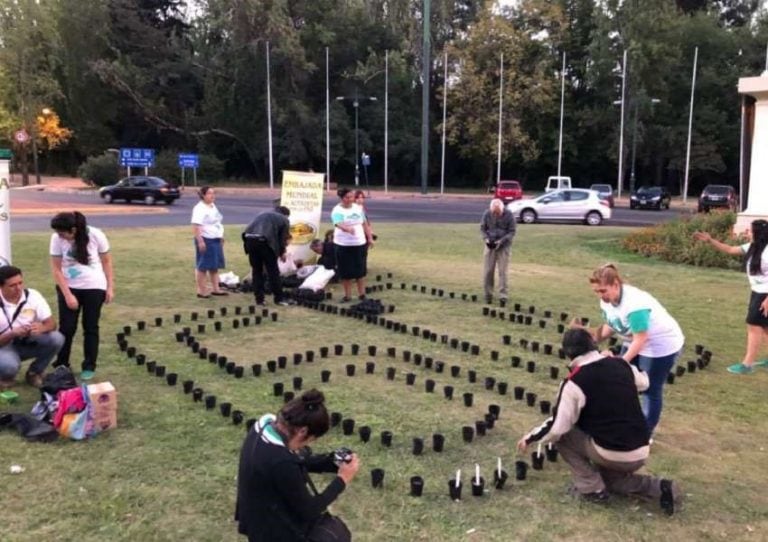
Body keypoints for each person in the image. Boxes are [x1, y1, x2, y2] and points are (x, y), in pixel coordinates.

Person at [517, 329, 682, 514]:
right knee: (613, 482)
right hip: (641, 448)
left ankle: (591, 489)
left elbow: (557, 427)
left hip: (612, 452)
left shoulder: (575, 381)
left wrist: (530, 438)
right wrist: (613, 361)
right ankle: (661, 488)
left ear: (568, 353)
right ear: (594, 345)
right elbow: (644, 383)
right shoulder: (620, 364)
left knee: (563, 437)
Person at [235, 389, 360, 541]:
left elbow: (295, 459)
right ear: (302, 431)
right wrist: (342, 480)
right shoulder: (281, 462)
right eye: (311, 439)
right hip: (271, 529)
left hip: (256, 512)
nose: (306, 445)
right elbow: (309, 510)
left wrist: (331, 462)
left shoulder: (264, 424)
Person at [575, 263, 684, 436]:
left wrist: (621, 362)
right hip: (635, 341)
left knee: (650, 389)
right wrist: (589, 337)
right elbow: (612, 325)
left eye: (603, 291)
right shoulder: (608, 301)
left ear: (616, 284)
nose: (600, 295)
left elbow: (641, 339)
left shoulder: (635, 305)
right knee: (621, 382)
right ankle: (622, 420)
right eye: (597, 291)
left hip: (660, 346)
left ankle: (644, 434)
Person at [694, 219, 768, 374]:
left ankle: (747, 365)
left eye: (752, 230)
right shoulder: (752, 247)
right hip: (757, 291)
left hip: (765, 294)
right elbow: (729, 249)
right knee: (766, 327)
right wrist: (710, 240)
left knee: (754, 326)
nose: (749, 233)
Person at [50, 212, 114, 381]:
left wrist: (110, 287)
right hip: (69, 287)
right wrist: (68, 295)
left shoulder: (96, 235)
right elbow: (56, 269)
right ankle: (62, 363)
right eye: (58, 233)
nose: (60, 237)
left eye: (63, 234)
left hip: (94, 287)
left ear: (73, 230)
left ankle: (89, 366)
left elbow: (107, 261)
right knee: (67, 328)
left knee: (90, 327)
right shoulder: (56, 238)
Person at [0, 266, 64, 390]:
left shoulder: (32, 295)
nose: (18, 288)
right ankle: (5, 376)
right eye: (12, 285)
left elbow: (52, 324)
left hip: (27, 340)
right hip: (4, 345)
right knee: (9, 366)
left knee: (57, 338)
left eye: (20, 283)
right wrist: (12, 334)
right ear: (1, 287)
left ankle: (34, 373)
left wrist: (42, 328)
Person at [242, 206, 294, 307]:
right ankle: (279, 299)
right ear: (286, 215)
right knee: (273, 272)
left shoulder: (262, 213)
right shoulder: (284, 219)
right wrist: (282, 252)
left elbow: (248, 229)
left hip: (250, 241)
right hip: (265, 242)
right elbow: (283, 238)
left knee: (256, 271)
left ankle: (259, 300)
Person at [332, 187, 374, 302]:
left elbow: (365, 224)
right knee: (345, 272)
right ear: (342, 198)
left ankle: (362, 294)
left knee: (360, 270)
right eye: (347, 197)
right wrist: (347, 229)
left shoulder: (358, 208)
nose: (350, 199)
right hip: (343, 245)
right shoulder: (337, 210)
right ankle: (348, 295)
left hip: (359, 244)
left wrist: (369, 238)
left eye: (352, 197)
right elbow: (338, 223)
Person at [191, 186, 228, 299]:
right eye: (209, 193)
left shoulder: (212, 206)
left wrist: (220, 236)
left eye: (213, 193)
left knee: (214, 265)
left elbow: (217, 221)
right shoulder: (199, 208)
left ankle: (216, 289)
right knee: (203, 265)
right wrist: (200, 241)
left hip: (215, 238)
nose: (212, 195)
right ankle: (201, 291)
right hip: (206, 239)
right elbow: (196, 225)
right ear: (203, 195)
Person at [480, 198, 516, 307]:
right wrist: (486, 238)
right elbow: (482, 228)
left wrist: (501, 241)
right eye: (494, 213)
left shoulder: (509, 215)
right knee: (488, 271)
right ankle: (488, 295)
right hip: (489, 246)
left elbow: (512, 231)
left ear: (502, 209)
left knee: (502, 272)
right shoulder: (487, 214)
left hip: (504, 246)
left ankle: (503, 297)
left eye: (498, 213)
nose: (496, 214)